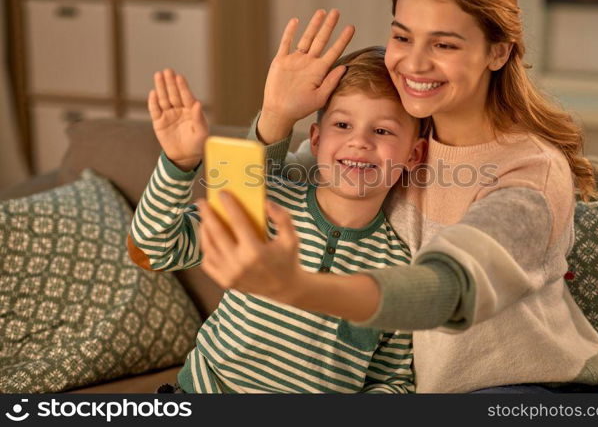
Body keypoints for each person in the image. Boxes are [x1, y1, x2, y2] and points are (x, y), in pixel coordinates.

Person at [198, 0, 598, 393]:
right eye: (402, 36)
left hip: (528, 389)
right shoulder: (391, 141)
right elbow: (240, 202)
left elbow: (448, 288)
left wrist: (297, 288)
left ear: (497, 52)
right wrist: (276, 114)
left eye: (444, 44)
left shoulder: (530, 172)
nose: (413, 63)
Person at [127, 43, 427, 393]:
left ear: (413, 154)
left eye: (382, 131)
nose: (359, 141)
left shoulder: (401, 269)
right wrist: (178, 163)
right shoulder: (266, 198)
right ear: (315, 139)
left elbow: (393, 381)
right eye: (343, 124)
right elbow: (154, 250)